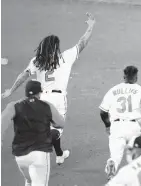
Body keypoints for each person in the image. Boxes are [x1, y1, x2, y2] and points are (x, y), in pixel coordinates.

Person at [1, 12, 96, 164]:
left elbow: (23, 76)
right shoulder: (65, 57)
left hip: (42, 99)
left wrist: (11, 90)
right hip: (58, 99)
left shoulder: (37, 61)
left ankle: (59, 154)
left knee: (45, 126)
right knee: (57, 130)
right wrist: (91, 26)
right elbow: (82, 42)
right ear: (56, 47)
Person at [1, 80, 65, 186]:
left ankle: (29, 182)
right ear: (40, 93)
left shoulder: (13, 106)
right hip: (40, 154)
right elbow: (60, 124)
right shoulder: (47, 106)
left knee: (29, 180)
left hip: (20, 156)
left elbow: (2, 122)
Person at [99, 66, 141, 180]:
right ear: (136, 77)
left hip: (116, 126)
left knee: (115, 155)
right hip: (133, 126)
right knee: (136, 154)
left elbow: (103, 111)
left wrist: (107, 126)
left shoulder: (113, 90)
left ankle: (112, 165)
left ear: (124, 76)